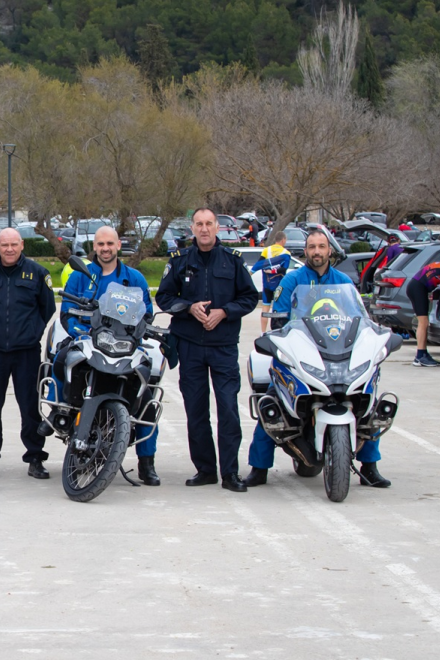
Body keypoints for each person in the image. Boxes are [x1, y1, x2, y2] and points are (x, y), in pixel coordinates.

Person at [244, 230, 391, 488]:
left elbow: (360, 318)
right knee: (272, 400)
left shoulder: (344, 282)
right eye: (312, 247)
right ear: (306, 251)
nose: (317, 251)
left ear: (329, 250)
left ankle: (371, 467)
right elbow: (278, 320)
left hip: (338, 353)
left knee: (368, 401)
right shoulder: (291, 281)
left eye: (321, 246)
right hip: (304, 352)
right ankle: (259, 468)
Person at [155, 207, 259, 492]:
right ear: (192, 228)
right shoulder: (179, 261)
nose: (204, 229)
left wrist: (224, 312)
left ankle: (230, 474)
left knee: (227, 410)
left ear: (217, 228)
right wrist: (189, 308)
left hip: (223, 346)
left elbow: (250, 297)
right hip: (189, 346)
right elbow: (164, 297)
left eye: (209, 224)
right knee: (196, 411)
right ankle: (205, 470)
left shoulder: (233, 261)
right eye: (199, 224)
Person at [62, 226, 160, 485]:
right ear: (94, 247)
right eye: (100, 244)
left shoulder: (135, 278)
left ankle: (146, 462)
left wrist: (141, 331)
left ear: (118, 245)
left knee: (146, 396)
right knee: (61, 360)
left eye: (110, 243)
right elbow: (68, 312)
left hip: (123, 348)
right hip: (90, 343)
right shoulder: (80, 276)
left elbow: (146, 314)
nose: (105, 248)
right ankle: (58, 414)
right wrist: (80, 332)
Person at [0, 228, 55, 479]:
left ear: (22, 246)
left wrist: (31, 333)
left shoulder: (38, 273)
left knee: (30, 407)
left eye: (14, 244)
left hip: (27, 353)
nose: (9, 249)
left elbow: (47, 308)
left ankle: (35, 458)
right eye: (4, 245)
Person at [406, 260, 440, 367]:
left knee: (423, 322)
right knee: (423, 323)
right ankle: (420, 356)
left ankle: (422, 355)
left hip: (416, 286)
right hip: (417, 287)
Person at [251, 231, 291, 333]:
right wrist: (274, 270)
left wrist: (250, 273)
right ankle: (279, 331)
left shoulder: (266, 250)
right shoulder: (286, 253)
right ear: (283, 240)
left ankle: (263, 332)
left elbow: (259, 263)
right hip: (280, 285)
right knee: (278, 308)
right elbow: (284, 269)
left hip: (267, 284)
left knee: (265, 307)